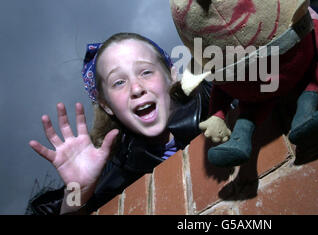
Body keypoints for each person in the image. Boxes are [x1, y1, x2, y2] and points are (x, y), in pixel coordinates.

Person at [28, 32, 211, 214]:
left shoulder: (222, 97)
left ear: (171, 76)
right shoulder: (112, 173)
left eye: (146, 72)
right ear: (107, 106)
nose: (136, 88)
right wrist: (77, 192)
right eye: (118, 82)